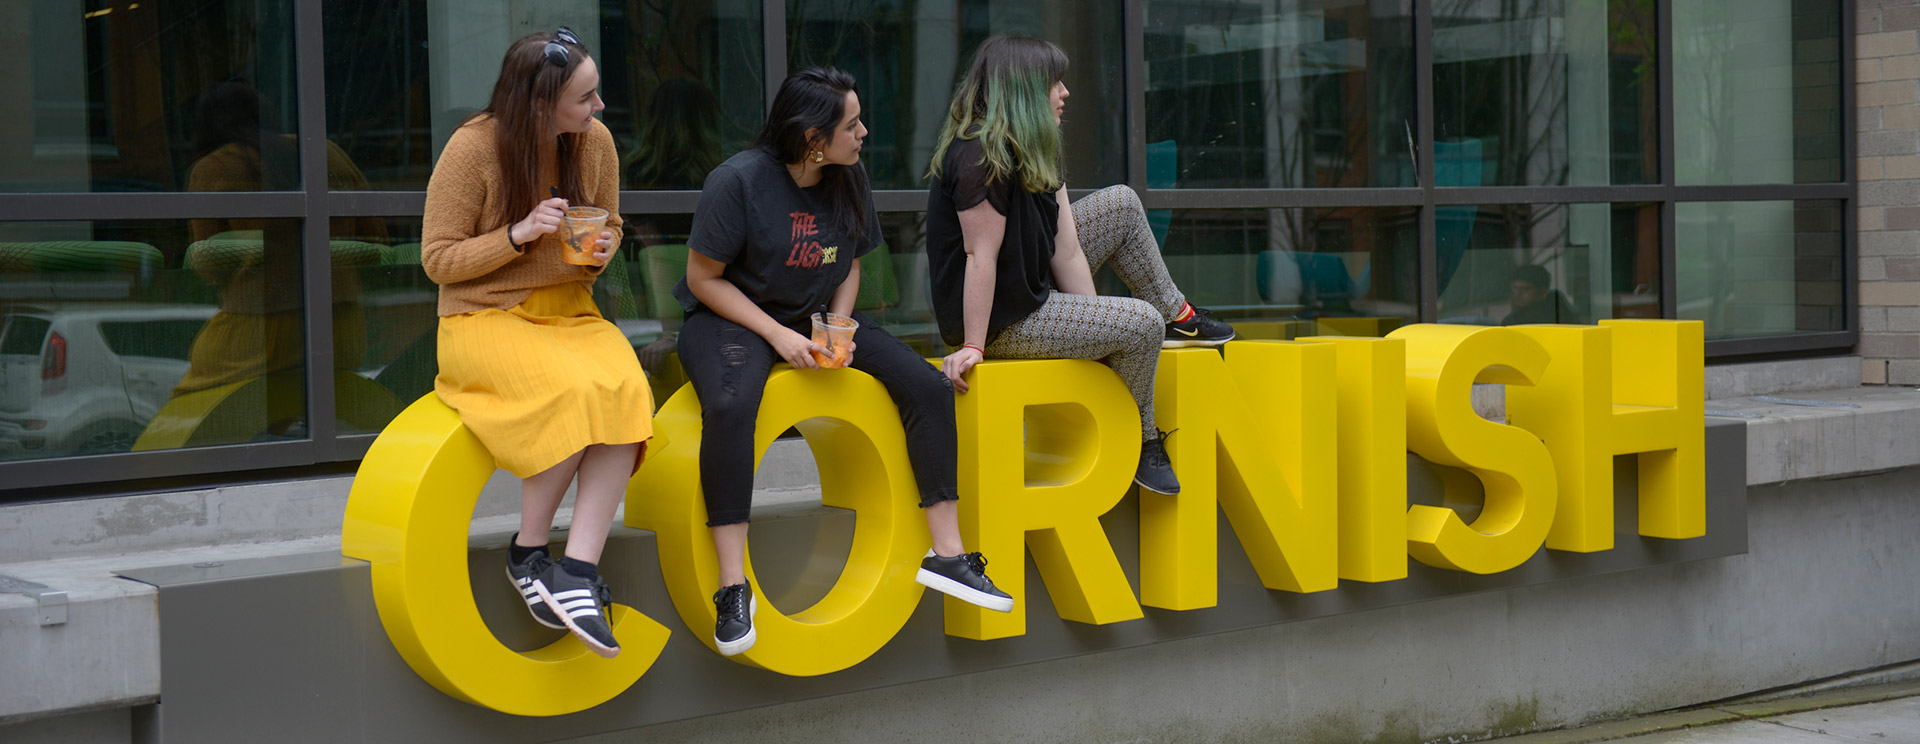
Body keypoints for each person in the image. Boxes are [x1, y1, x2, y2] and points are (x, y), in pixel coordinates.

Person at [676, 67, 1013, 657]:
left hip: (816, 319)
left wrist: (840, 327)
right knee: (731, 406)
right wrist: (779, 336)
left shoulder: (848, 175)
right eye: (851, 124)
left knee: (928, 386)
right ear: (813, 138)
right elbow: (702, 279)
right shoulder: (738, 182)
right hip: (734, 320)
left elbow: (851, 259)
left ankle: (949, 555)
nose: (863, 133)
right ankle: (733, 587)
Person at [420, 27, 650, 658]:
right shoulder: (472, 150)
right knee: (573, 391)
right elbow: (437, 261)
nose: (600, 108)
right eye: (587, 97)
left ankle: (575, 570)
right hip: (480, 316)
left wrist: (603, 249)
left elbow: (611, 223)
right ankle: (527, 552)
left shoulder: (594, 143)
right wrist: (518, 235)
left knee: (626, 388)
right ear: (540, 104)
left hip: (567, 310)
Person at [925, 36, 1235, 497]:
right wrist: (974, 343)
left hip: (1031, 285)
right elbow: (979, 256)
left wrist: (1094, 327)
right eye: (1055, 82)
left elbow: (1066, 250)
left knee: (1121, 205)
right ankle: (1141, 439)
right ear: (1026, 91)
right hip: (1000, 319)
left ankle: (1179, 316)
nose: (1065, 91)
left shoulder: (1038, 145)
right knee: (1139, 322)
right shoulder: (978, 156)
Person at [1502, 264, 1580, 325]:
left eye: (1524, 289)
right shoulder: (1510, 321)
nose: (1517, 293)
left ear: (1543, 293)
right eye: (1515, 288)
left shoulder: (1560, 320)